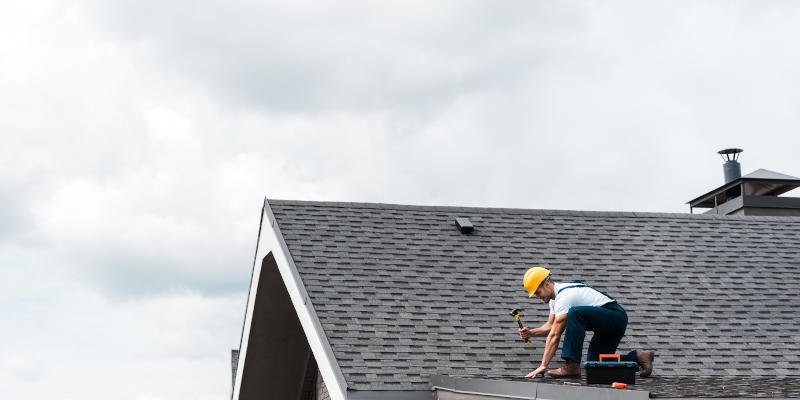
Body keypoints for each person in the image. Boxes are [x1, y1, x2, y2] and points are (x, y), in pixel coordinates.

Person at [518, 266, 655, 378]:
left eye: (537, 292)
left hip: (615, 316)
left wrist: (543, 365)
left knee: (575, 313)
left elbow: (555, 334)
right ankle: (638, 357)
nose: (537, 297)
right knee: (594, 365)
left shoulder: (564, 297)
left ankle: (571, 365)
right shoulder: (555, 300)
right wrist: (531, 333)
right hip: (607, 322)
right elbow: (550, 326)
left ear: (547, 284)